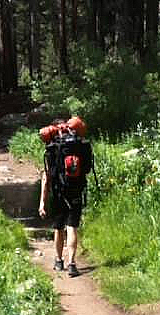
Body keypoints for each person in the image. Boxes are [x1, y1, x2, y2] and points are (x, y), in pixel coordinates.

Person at [37, 117, 92, 277]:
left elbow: (46, 178)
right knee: (72, 226)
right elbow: (87, 169)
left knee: (58, 228)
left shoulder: (53, 147)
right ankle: (72, 264)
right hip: (76, 188)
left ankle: (59, 261)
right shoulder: (78, 145)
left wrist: (42, 202)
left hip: (58, 191)